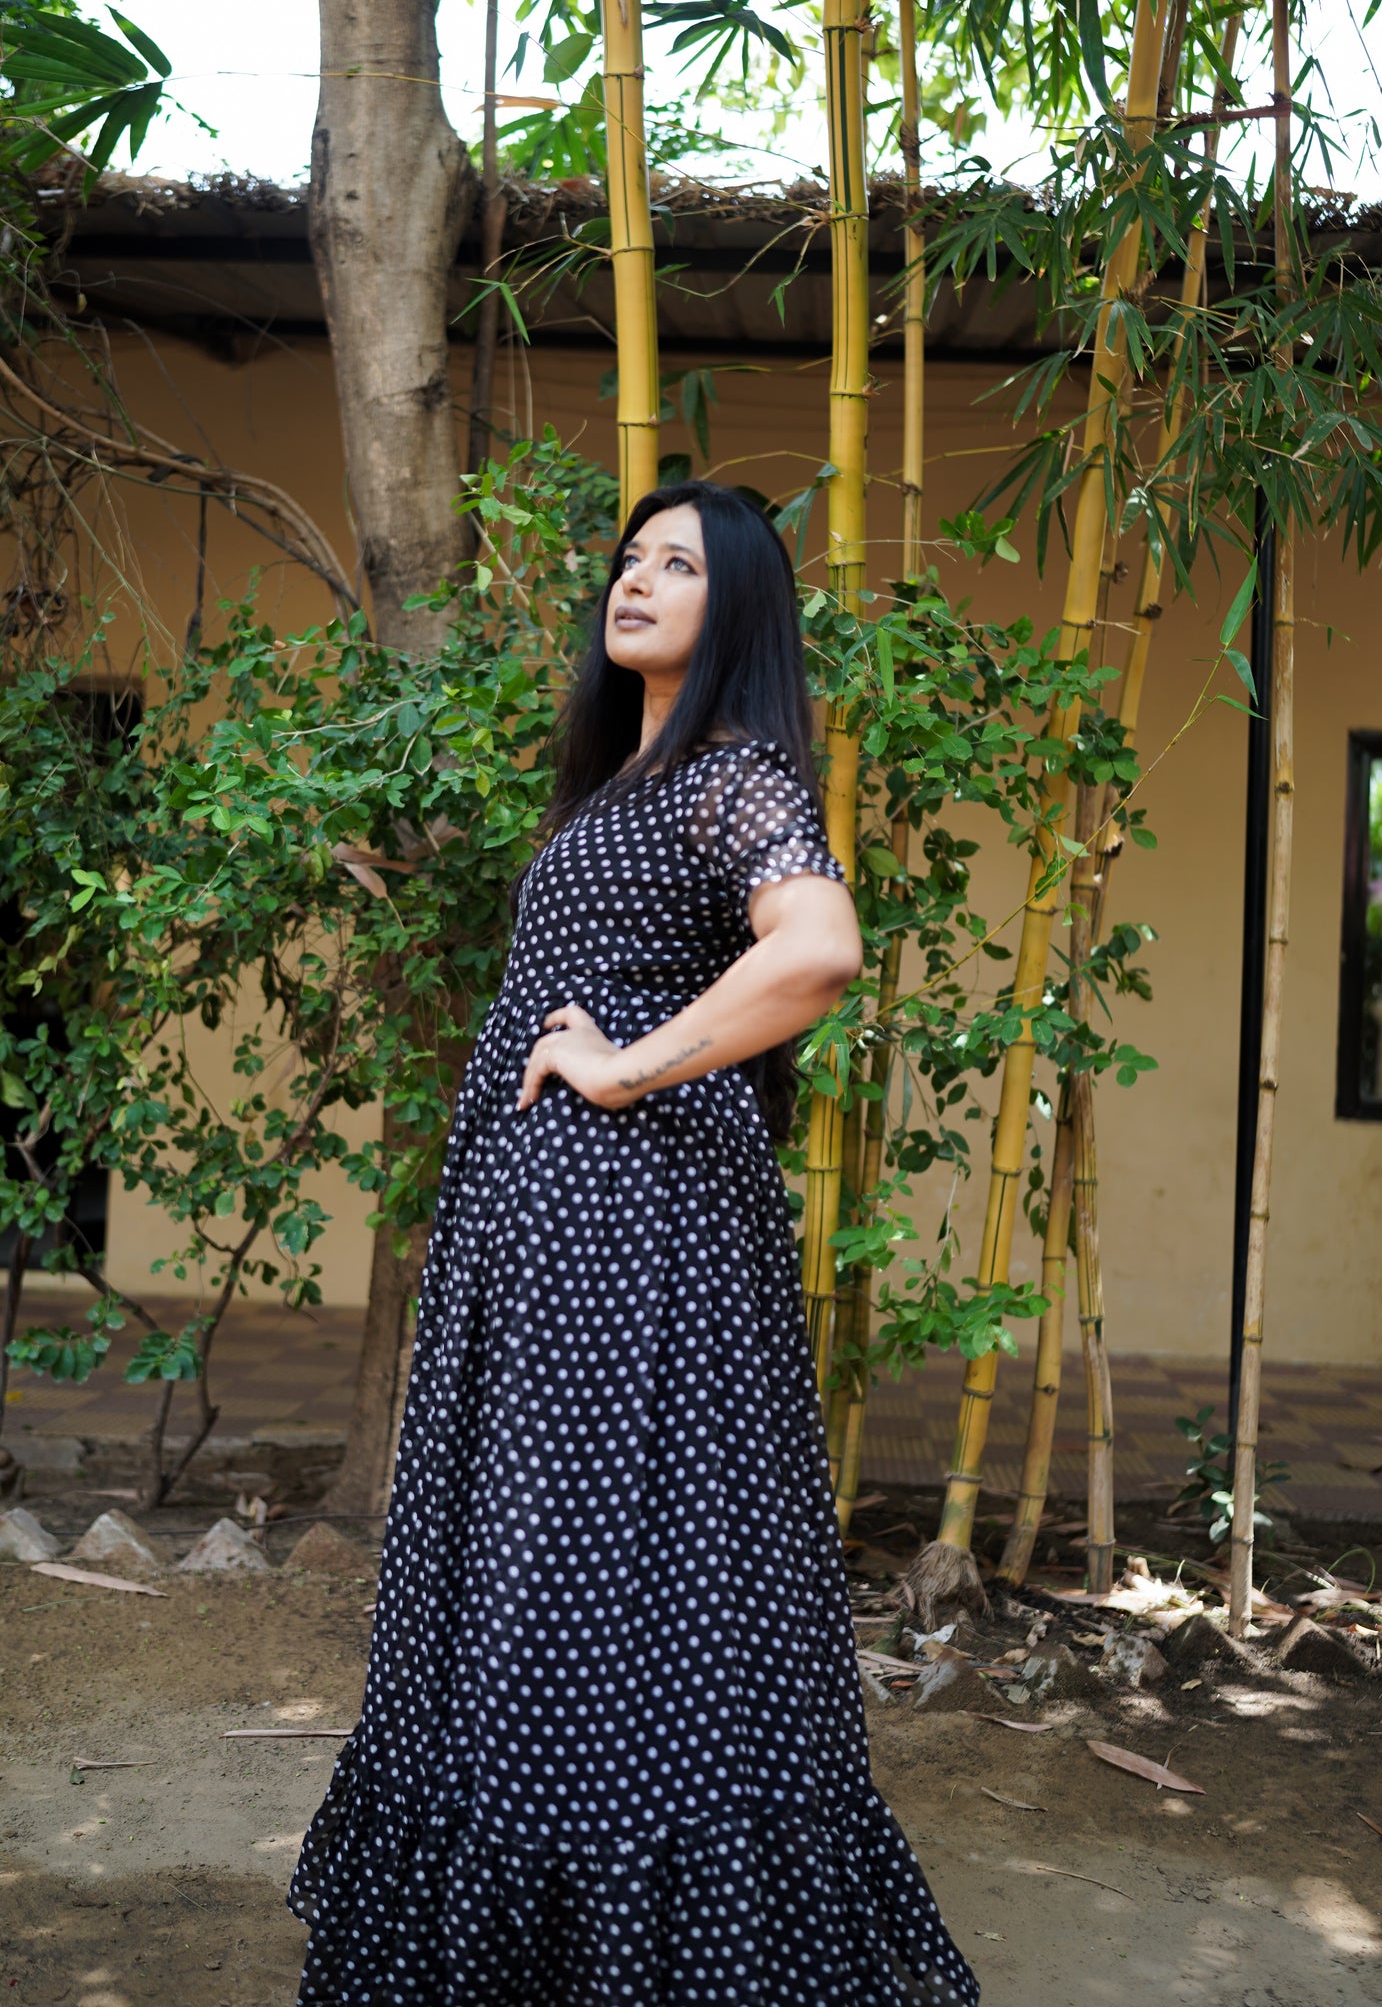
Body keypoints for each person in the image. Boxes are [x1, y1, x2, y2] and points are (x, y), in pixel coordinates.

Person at [288, 480, 980, 2005]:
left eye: (680, 564)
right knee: (587, 1569)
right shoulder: (628, 782)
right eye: (629, 557)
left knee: (591, 1567)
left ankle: (612, 1923)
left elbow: (818, 949)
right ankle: (576, 1918)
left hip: (624, 1229)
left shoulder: (730, 774)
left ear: (736, 612)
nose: (637, 579)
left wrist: (623, 1065)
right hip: (564, 1235)